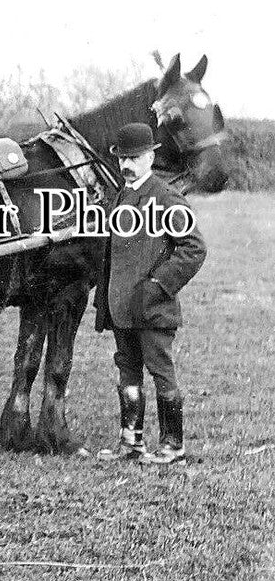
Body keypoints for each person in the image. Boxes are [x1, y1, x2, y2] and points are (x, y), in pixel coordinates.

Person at [94, 122, 207, 465]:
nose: (126, 165)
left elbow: (194, 248)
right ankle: (131, 443)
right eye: (122, 158)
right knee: (127, 372)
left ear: (150, 156)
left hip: (152, 307)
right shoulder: (121, 197)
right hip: (121, 306)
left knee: (161, 371)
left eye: (135, 157)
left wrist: (159, 285)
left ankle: (173, 446)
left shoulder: (166, 197)